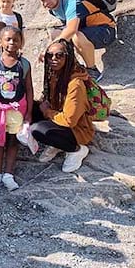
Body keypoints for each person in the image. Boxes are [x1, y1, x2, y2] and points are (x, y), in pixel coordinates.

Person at [0, 26, 33, 191]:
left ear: (21, 42)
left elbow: (29, 89)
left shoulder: (24, 64)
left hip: (17, 109)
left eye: (15, 39)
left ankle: (8, 174)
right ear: (1, 41)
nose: (12, 42)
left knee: (12, 141)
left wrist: (29, 113)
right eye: (8, 39)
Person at [32, 39, 95, 172]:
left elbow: (69, 120)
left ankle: (77, 149)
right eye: (50, 55)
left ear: (68, 57)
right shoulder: (55, 75)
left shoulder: (75, 84)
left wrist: (47, 112)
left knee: (38, 129)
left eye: (59, 55)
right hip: (58, 118)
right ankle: (57, 144)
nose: (54, 59)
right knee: (29, 107)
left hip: (77, 129)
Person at [36, 0, 116, 81]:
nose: (46, 3)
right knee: (55, 34)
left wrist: (48, 50)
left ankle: (92, 70)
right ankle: (74, 69)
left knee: (76, 36)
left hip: (106, 30)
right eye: (42, 0)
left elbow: (71, 29)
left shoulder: (72, 3)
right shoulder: (53, 9)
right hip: (86, 29)